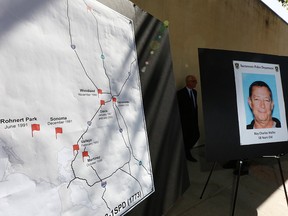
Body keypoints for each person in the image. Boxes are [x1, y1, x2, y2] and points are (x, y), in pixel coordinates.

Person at [177, 75, 200, 162]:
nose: (196, 83)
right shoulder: (180, 93)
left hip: (194, 119)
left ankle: (186, 150)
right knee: (187, 137)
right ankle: (187, 153)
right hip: (185, 121)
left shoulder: (195, 92)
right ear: (189, 82)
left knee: (196, 135)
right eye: (194, 81)